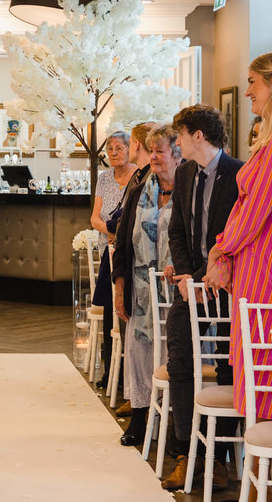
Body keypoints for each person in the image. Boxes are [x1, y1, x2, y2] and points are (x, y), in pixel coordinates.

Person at [204, 50, 272, 422]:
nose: (248, 91)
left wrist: (221, 248)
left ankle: (270, 470)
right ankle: (263, 470)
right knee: (261, 365)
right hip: (262, 261)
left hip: (269, 266)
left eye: (253, 81)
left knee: (268, 366)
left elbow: (255, 212)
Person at [160, 104, 243, 490]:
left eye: (180, 135)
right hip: (193, 284)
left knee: (228, 367)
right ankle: (183, 451)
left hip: (228, 286)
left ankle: (220, 459)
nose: (176, 142)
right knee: (180, 358)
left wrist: (210, 276)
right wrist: (184, 276)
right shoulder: (185, 173)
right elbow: (177, 231)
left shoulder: (240, 173)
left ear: (198, 136)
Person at [111, 124, 181, 446]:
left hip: (176, 292)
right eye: (150, 150)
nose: (152, 156)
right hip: (141, 295)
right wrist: (119, 287)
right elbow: (123, 243)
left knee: (174, 355)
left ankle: (173, 427)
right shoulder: (140, 191)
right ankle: (140, 419)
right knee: (139, 352)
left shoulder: (188, 190)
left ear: (176, 154)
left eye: (159, 151)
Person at [89, 131, 137, 388]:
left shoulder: (139, 175)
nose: (115, 152)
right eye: (110, 148)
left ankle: (127, 370)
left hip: (128, 247)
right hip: (107, 245)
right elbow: (95, 217)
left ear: (130, 149)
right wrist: (112, 232)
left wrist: (122, 234)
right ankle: (109, 370)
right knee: (108, 306)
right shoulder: (104, 178)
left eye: (120, 147)